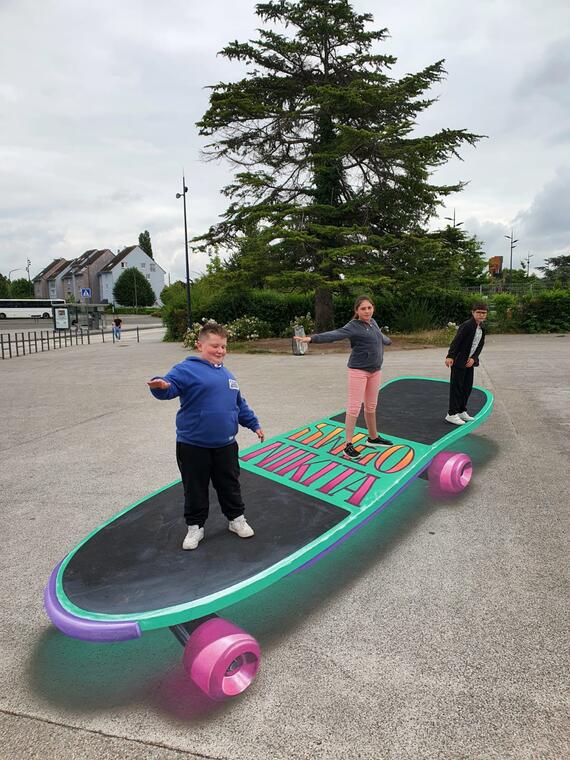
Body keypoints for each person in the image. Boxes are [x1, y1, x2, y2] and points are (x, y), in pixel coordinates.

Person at [147, 322, 265, 550]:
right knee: (195, 487)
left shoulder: (228, 375)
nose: (220, 351)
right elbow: (169, 388)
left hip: (226, 445)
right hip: (193, 445)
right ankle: (195, 527)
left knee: (229, 484)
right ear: (199, 345)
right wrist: (159, 386)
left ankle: (236, 520)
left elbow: (239, 404)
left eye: (223, 346)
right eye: (214, 346)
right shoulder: (185, 369)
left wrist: (254, 424)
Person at [294, 295, 392, 459]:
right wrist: (311, 339)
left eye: (369, 308)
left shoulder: (373, 323)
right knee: (354, 408)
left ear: (373, 308)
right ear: (357, 311)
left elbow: (379, 337)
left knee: (371, 406)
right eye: (363, 308)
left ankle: (373, 438)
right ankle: (348, 445)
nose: (367, 311)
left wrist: (387, 341)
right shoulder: (353, 326)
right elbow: (334, 334)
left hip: (375, 370)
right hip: (358, 371)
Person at [444, 302, 488, 426]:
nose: (481, 315)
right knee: (456, 387)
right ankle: (452, 414)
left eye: (483, 313)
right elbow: (456, 341)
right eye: (478, 312)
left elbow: (479, 345)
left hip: (469, 362)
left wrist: (474, 358)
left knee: (467, 387)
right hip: (459, 361)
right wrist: (450, 356)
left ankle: (461, 410)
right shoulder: (467, 326)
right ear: (473, 313)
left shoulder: (481, 328)